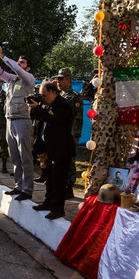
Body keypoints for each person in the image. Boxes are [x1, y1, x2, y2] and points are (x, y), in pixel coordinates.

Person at [0, 42, 35, 201]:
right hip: (10, 120)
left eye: (22, 62)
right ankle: (18, 186)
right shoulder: (11, 80)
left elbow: (15, 68)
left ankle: (27, 189)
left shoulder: (28, 79)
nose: (19, 64)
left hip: (22, 121)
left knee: (25, 157)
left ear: (28, 68)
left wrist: (2, 55)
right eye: (18, 61)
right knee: (15, 157)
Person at [29, 81, 75, 219]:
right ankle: (48, 202)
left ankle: (58, 209)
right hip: (48, 148)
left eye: (45, 95)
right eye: (41, 95)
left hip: (61, 149)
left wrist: (39, 108)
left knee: (59, 180)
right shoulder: (46, 104)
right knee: (49, 178)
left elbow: (54, 120)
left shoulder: (63, 105)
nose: (43, 98)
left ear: (54, 93)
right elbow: (36, 118)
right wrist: (34, 108)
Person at [55, 68, 83, 199]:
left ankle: (69, 187)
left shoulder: (74, 96)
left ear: (68, 80)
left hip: (69, 133)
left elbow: (78, 118)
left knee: (69, 161)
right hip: (59, 133)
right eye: (58, 79)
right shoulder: (59, 95)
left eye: (61, 79)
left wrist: (75, 135)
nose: (58, 81)